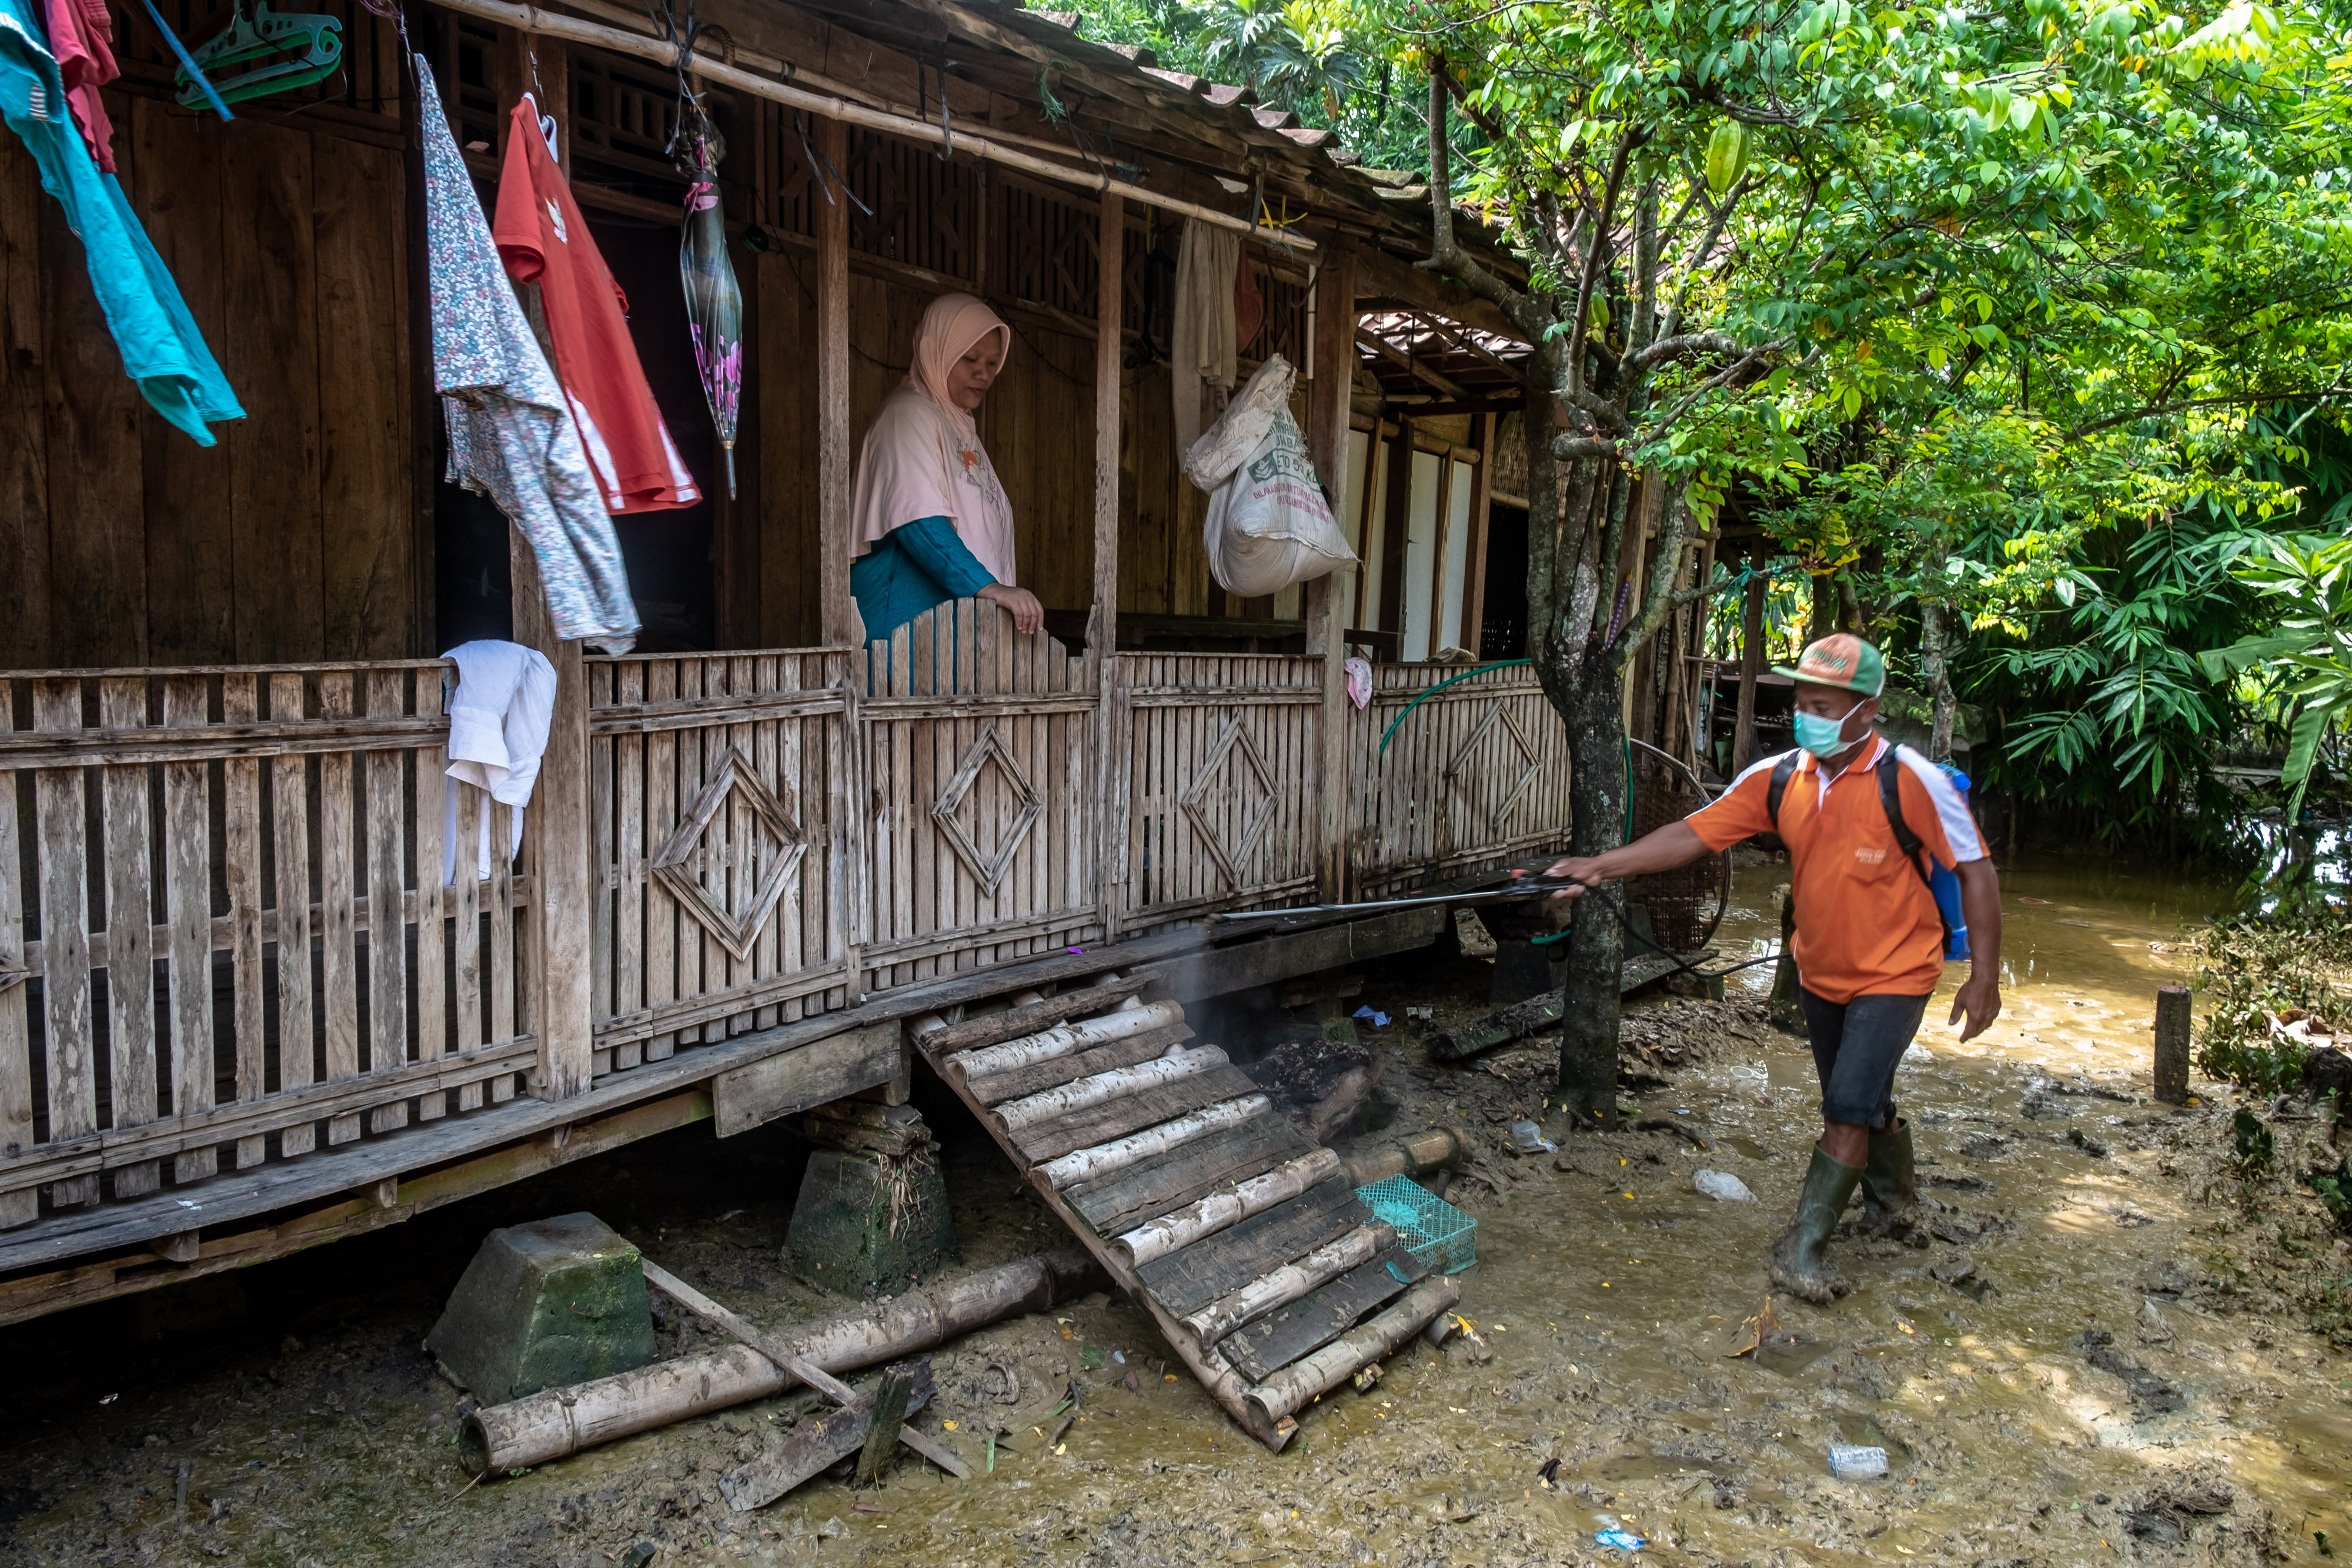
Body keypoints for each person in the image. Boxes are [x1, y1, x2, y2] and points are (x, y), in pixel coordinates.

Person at [1545, 634, 2002, 1303]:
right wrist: (1598, 867)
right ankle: (1894, 1206)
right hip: (1818, 972)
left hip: (1897, 975)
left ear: (1867, 710)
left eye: (1824, 704)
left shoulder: (1910, 781)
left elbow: (1977, 870)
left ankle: (1802, 1250)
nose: (1807, 715)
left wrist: (1984, 974)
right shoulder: (1781, 777)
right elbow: (1694, 834)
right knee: (1864, 1099)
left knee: (1844, 1106)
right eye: (1802, 701)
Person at [850, 292, 1045, 641]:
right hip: (902, 638)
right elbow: (919, 521)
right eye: (969, 358)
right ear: (935, 351)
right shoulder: (907, 415)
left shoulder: (958, 425)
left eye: (992, 363)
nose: (982, 374)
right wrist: (989, 587)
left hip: (945, 639)